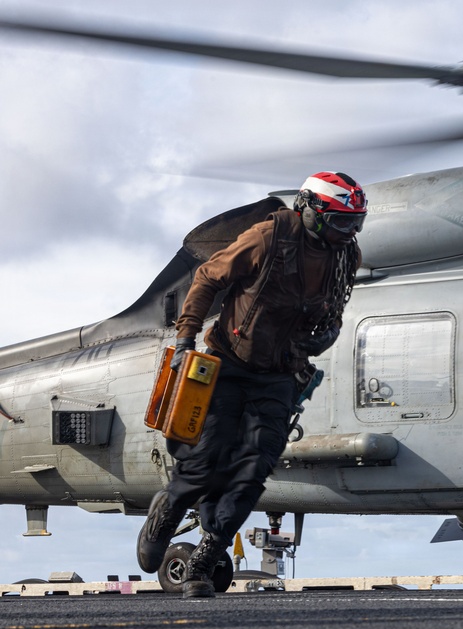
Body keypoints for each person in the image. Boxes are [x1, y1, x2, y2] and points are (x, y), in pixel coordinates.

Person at [137, 171, 367, 598]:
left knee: (253, 471)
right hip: (227, 363)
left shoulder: (344, 256)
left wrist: (328, 334)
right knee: (205, 461)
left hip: (281, 373)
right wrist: (186, 336)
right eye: (339, 222)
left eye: (355, 223)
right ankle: (168, 508)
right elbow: (207, 277)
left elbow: (335, 309)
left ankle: (203, 563)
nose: (348, 232)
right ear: (310, 209)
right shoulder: (267, 237)